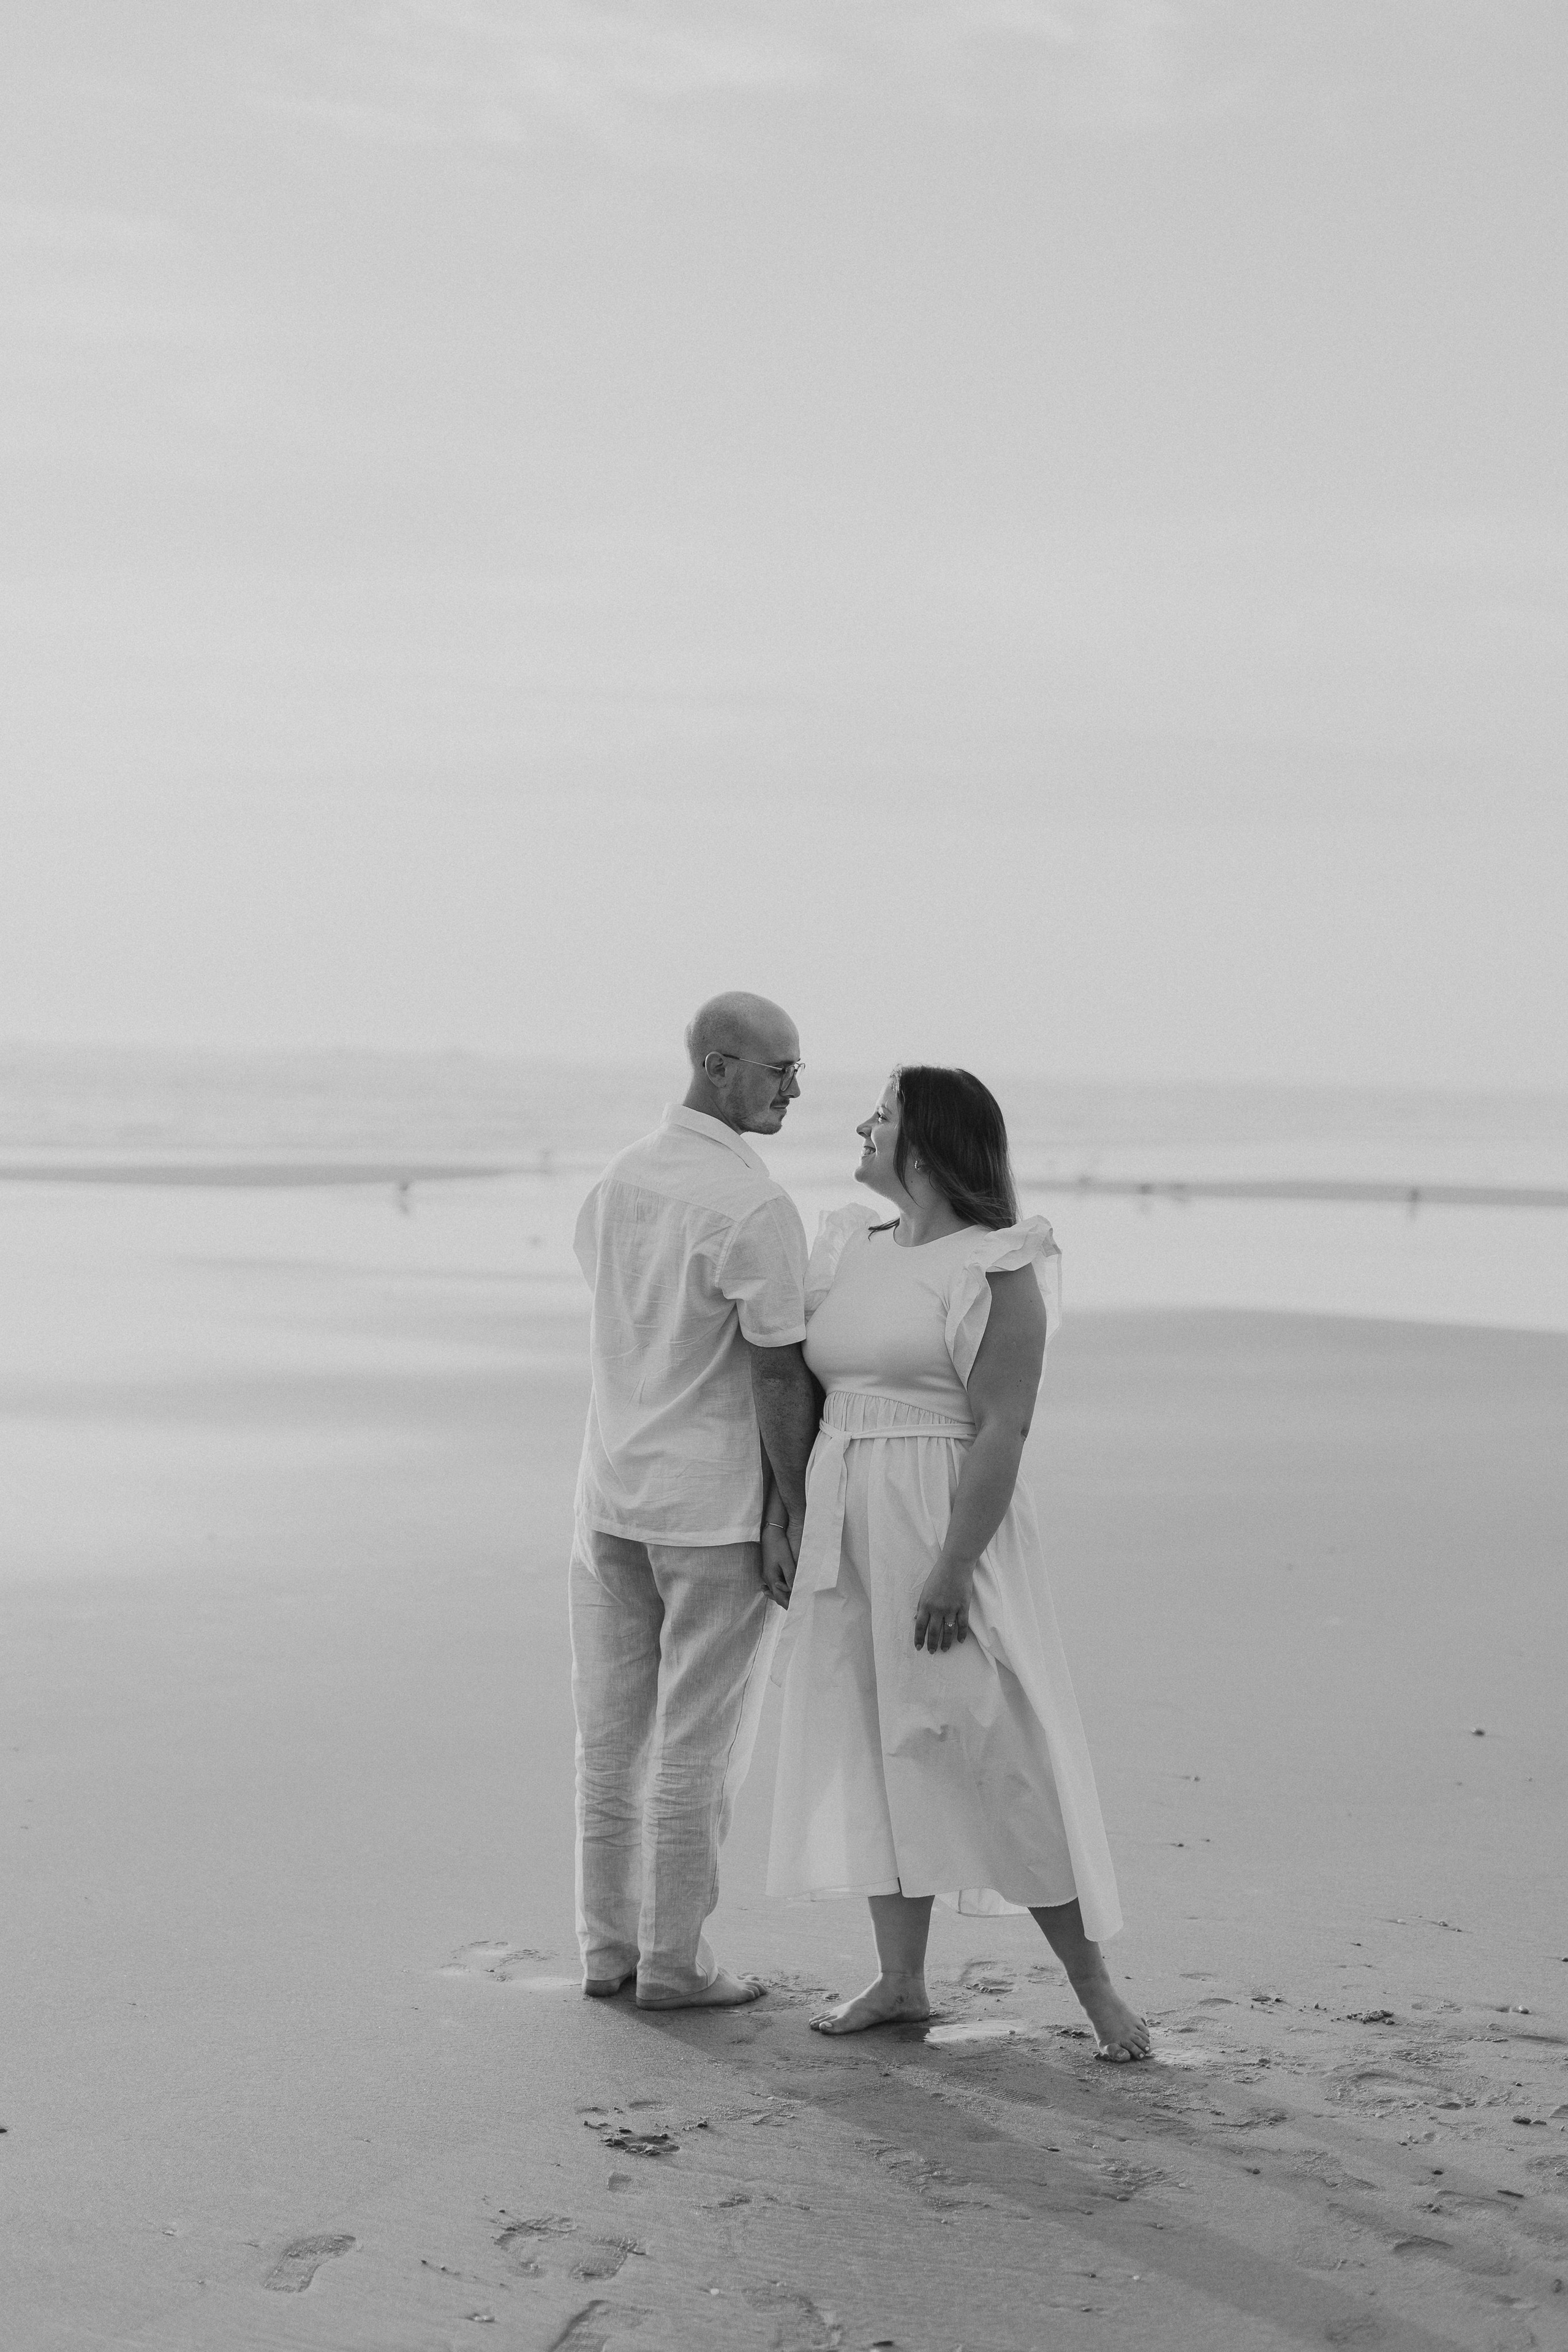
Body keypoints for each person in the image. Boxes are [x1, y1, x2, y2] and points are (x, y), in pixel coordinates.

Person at [767, 1065, 1150, 2059]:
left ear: (927, 1145)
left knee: (996, 1750)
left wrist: (952, 1566)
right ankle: (900, 1982)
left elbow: (1003, 1431)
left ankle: (1097, 1991)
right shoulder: (848, 1246)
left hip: (944, 1526)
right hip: (847, 1521)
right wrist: (788, 1520)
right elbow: (807, 1395)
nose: (861, 1125)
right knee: (876, 1745)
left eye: (882, 1115)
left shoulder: (996, 1264)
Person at [570, 993, 819, 2008]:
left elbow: (620, 1319)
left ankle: (606, 1952)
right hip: (711, 1510)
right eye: (779, 1071)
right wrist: (795, 1509)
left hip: (610, 1494)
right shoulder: (753, 1207)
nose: (796, 1089)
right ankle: (675, 1964)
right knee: (694, 1749)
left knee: (609, 1741)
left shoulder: (618, 1179)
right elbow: (776, 1375)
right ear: (720, 1068)